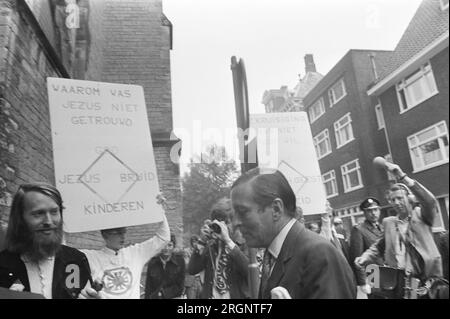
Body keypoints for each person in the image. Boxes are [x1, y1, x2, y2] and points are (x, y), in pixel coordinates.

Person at [230, 168, 356, 299]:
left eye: (243, 211)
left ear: (276, 209)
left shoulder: (319, 254)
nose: (235, 223)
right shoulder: (274, 253)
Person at [355, 161, 443, 298]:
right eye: (393, 199)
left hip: (425, 282)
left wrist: (402, 177)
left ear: (410, 198)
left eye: (400, 198)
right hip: (398, 281)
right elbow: (378, 246)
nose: (396, 202)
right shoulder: (389, 222)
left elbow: (430, 201)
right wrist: (364, 258)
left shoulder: (421, 216)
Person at [0, 183, 100, 299]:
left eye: (54, 212)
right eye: (38, 213)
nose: (48, 221)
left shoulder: (75, 260)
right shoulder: (3, 264)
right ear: (20, 219)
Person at [81, 194, 170, 299]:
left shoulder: (136, 253)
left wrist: (159, 210)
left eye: (123, 232)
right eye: (117, 233)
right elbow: (61, 251)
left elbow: (163, 238)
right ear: (105, 235)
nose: (122, 236)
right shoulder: (91, 257)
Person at [188, 198, 249, 299]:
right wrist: (201, 242)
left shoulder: (244, 243)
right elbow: (192, 270)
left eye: (226, 222)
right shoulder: (211, 245)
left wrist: (229, 242)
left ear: (235, 222)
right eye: (219, 222)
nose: (222, 226)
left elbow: (250, 272)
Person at [349, 197, 384, 297]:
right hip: (373, 275)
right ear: (364, 213)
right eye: (369, 211)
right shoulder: (358, 229)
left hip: (388, 273)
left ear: (379, 210)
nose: (373, 213)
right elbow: (356, 257)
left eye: (375, 209)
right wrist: (363, 282)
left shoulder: (383, 227)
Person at [144, 234, 185, 299]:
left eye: (169, 245)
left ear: (173, 246)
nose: (166, 248)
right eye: (163, 245)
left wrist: (162, 294)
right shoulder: (152, 263)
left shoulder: (180, 261)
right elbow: (148, 287)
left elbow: (180, 286)